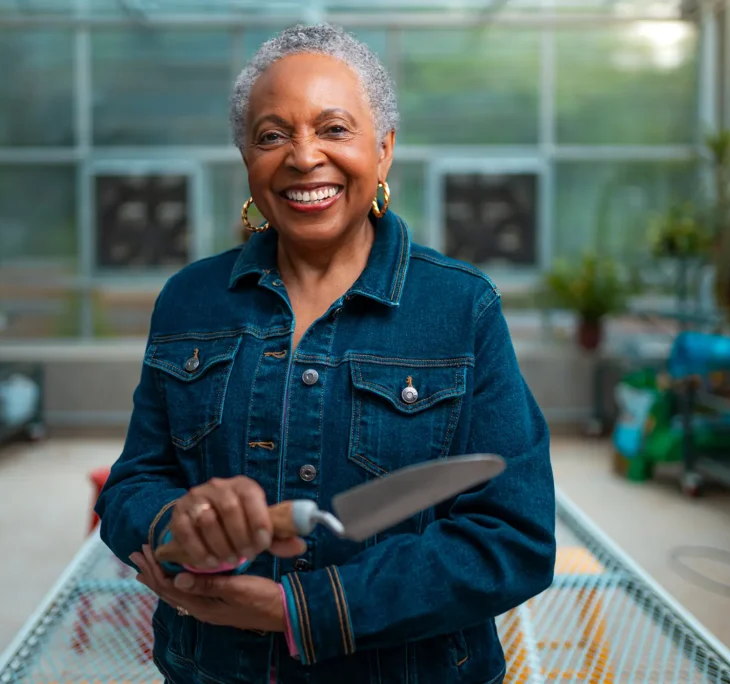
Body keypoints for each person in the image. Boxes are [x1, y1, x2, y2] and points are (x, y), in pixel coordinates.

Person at [95, 23, 556, 684]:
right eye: (271, 135)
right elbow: (132, 486)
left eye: (334, 128)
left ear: (385, 149)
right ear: (247, 160)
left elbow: (513, 538)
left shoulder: (459, 309)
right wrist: (179, 523)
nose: (303, 157)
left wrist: (301, 610)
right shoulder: (189, 301)